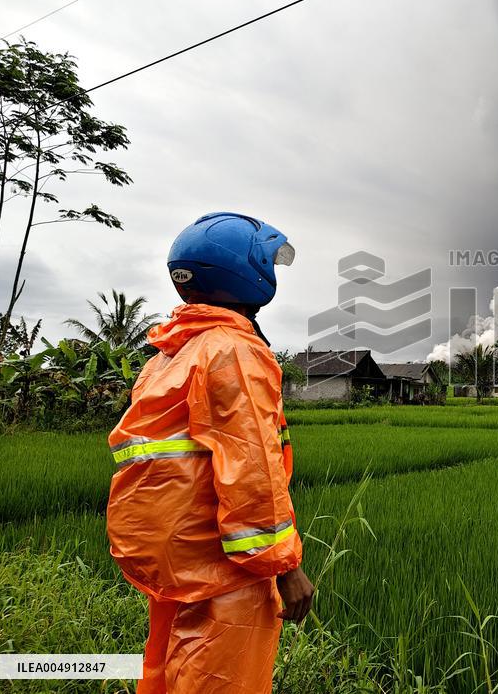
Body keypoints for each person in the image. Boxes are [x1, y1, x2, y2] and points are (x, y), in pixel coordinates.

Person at [106, 212, 314, 694]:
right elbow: (251, 469)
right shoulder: (232, 352)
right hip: (226, 568)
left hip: (179, 557)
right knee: (222, 678)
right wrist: (285, 567)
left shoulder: (169, 355)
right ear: (248, 274)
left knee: (170, 671)